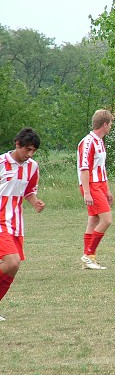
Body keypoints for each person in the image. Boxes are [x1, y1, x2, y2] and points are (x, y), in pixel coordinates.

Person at [0, 128, 45, 321]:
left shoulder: (32, 167)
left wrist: (35, 201)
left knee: (13, 268)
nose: (30, 154)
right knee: (12, 261)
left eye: (33, 150)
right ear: (17, 144)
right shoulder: (1, 163)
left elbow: (28, 190)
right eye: (27, 149)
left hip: (16, 224)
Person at [78, 109, 114, 270]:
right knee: (106, 220)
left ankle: (89, 258)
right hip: (91, 185)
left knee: (93, 220)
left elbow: (101, 168)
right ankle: (88, 254)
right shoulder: (87, 142)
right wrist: (86, 191)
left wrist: (107, 190)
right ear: (104, 124)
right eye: (111, 123)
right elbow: (84, 168)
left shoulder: (100, 141)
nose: (111, 126)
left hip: (99, 185)